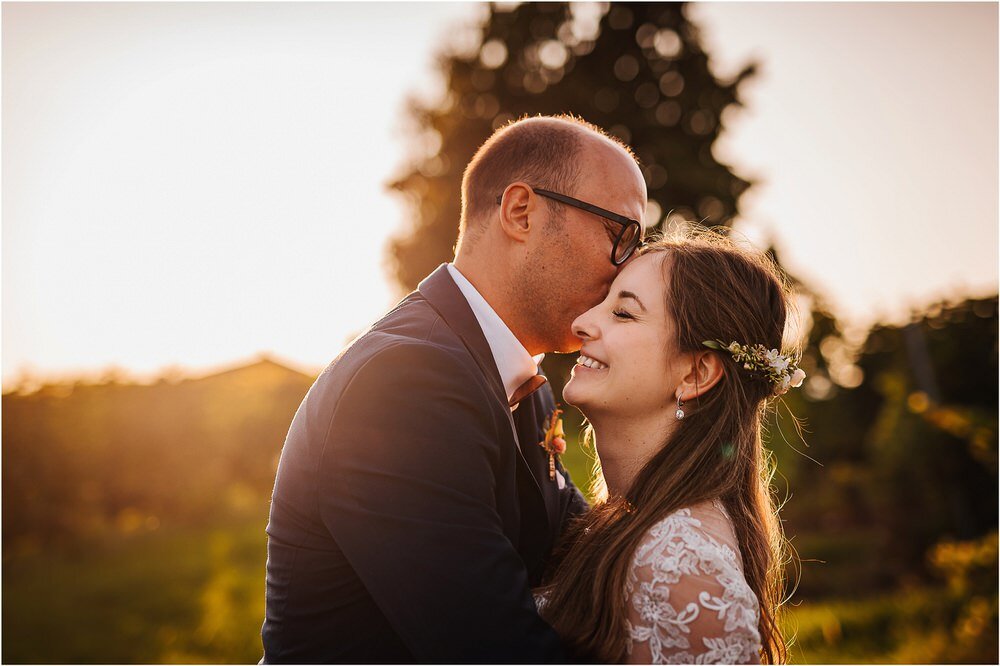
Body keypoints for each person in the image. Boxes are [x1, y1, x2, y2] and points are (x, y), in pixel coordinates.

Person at [261, 115, 648, 662]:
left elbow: (582, 561)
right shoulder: (404, 382)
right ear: (521, 212)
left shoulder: (523, 386)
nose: (628, 267)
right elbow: (494, 649)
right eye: (620, 234)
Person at [536, 231, 802, 664]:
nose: (582, 322)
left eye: (623, 312)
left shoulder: (683, 567)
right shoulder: (632, 524)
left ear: (695, 373)